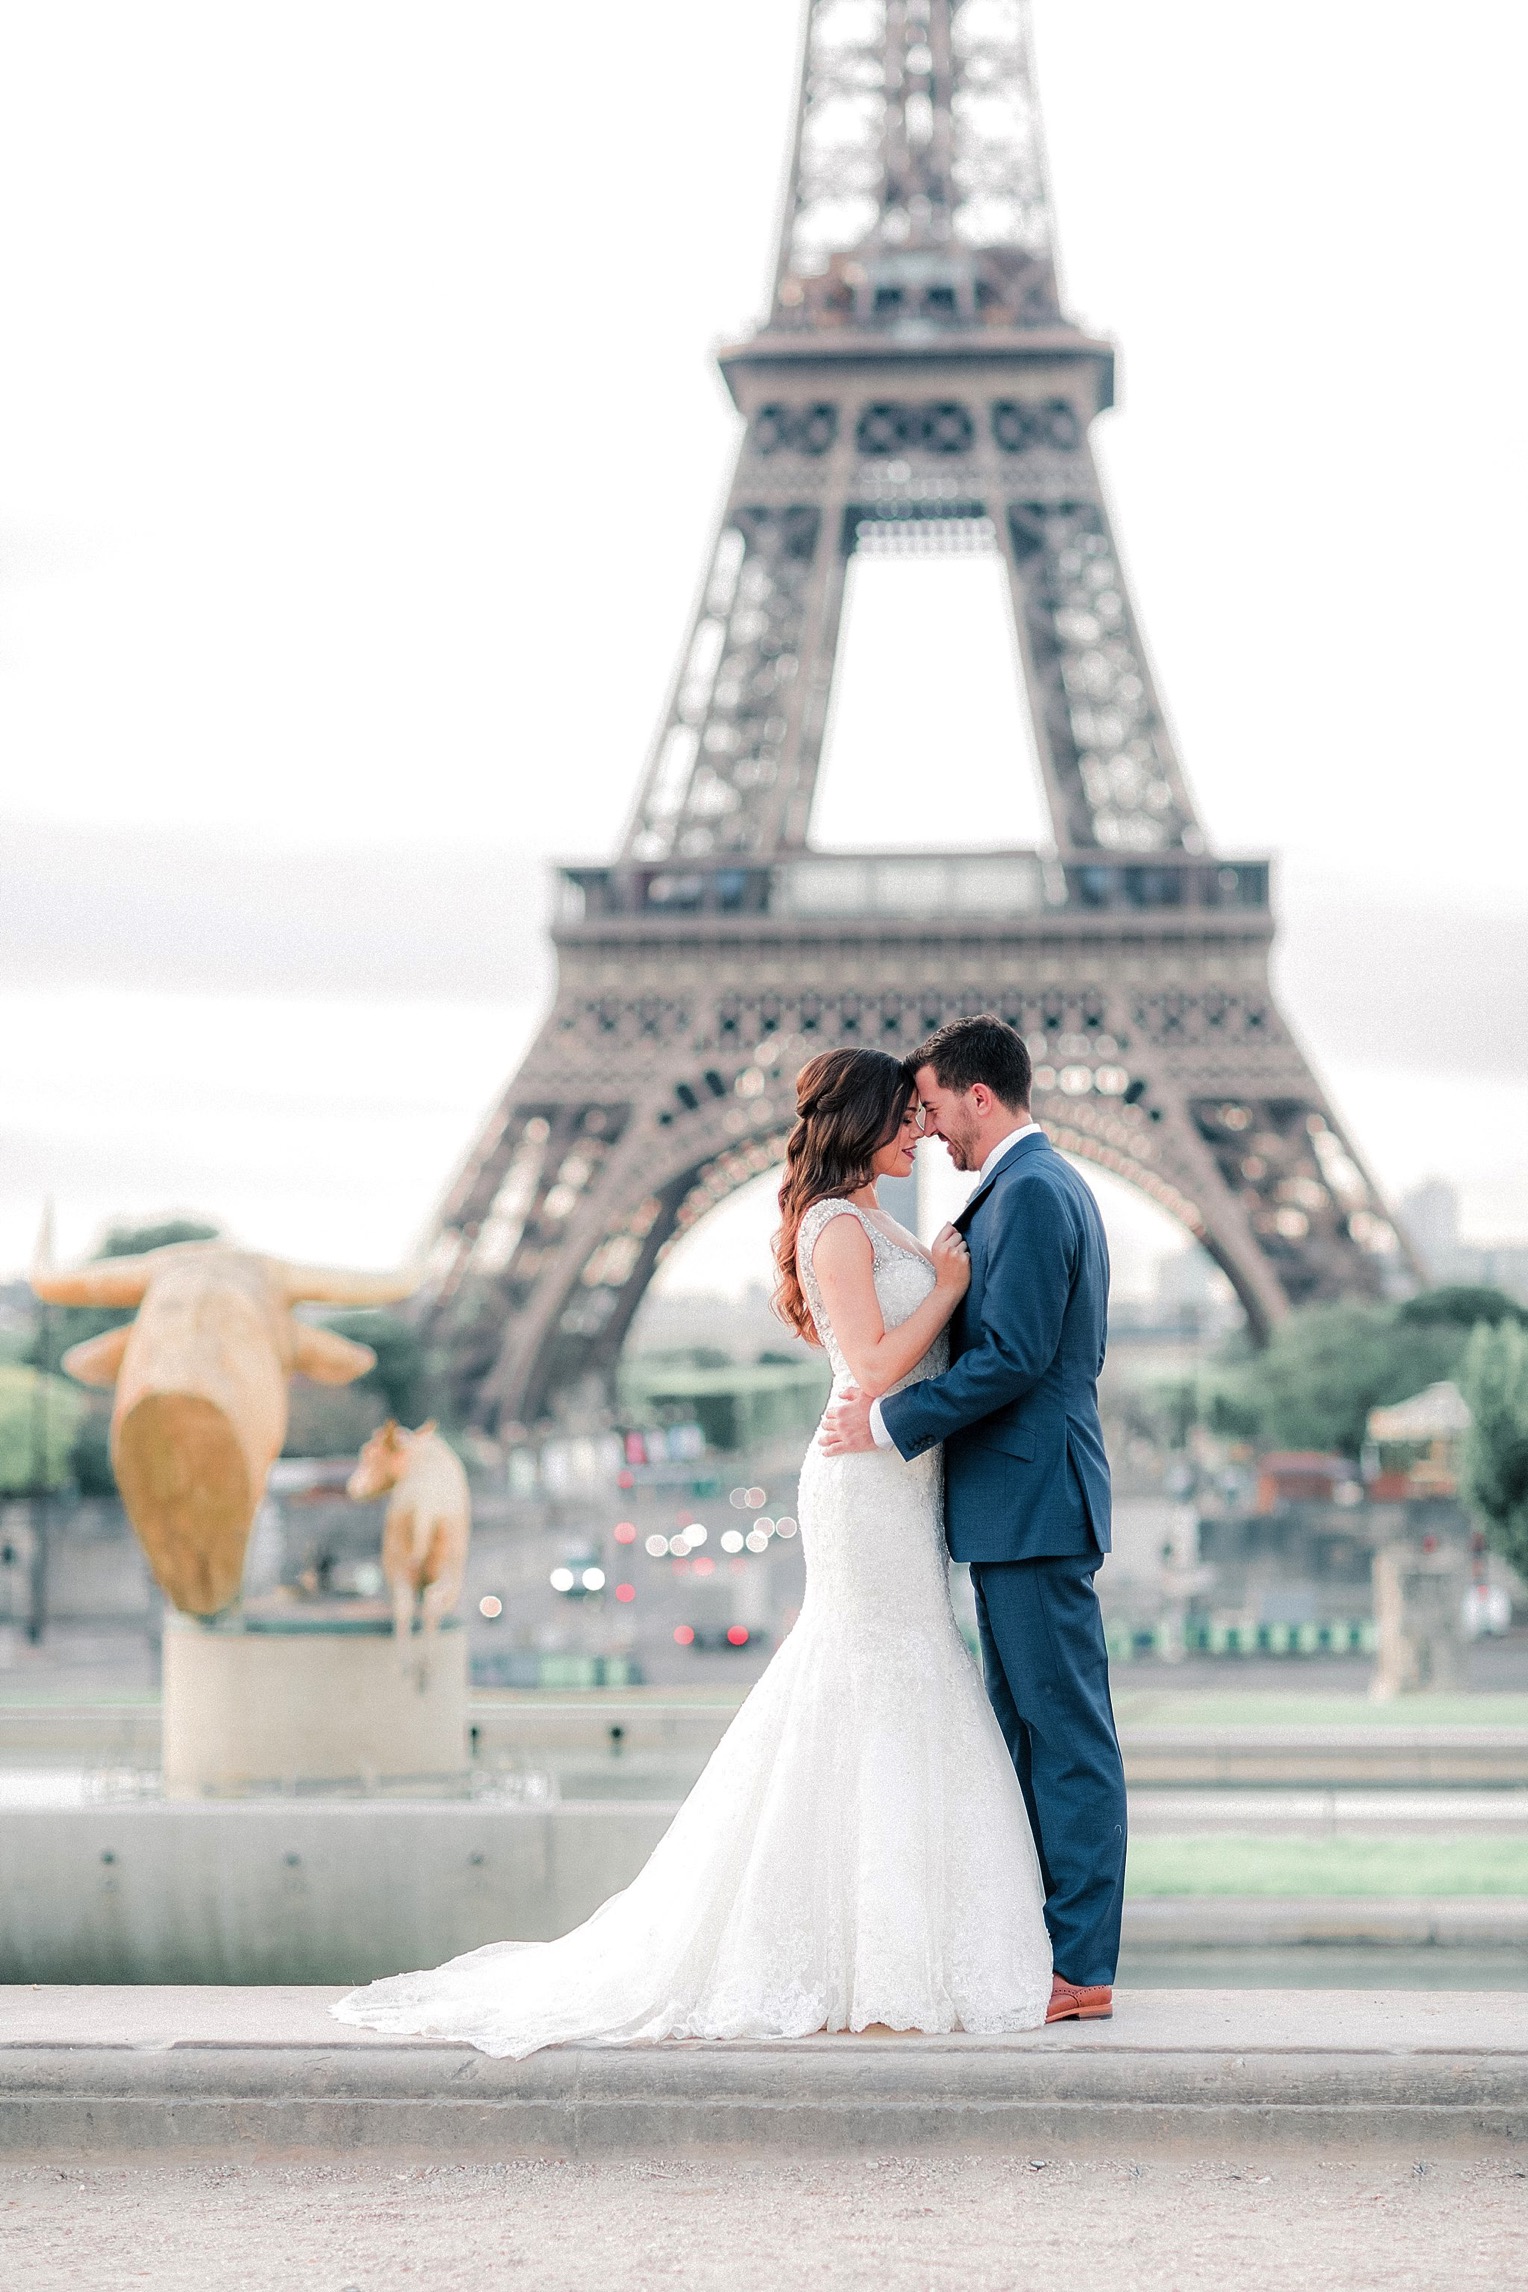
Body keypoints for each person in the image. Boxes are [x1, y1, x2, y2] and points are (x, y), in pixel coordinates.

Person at [332, 1044, 1052, 2058]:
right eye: (901, 1115)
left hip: (902, 1480)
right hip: (865, 1479)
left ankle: (889, 1954)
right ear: (857, 1121)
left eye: (923, 1114)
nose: (918, 1130)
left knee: (899, 1680)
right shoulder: (838, 1225)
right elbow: (882, 1364)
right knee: (874, 1680)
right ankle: (869, 1956)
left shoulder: (877, 1217)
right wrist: (941, 1286)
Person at [820, 1015, 1127, 2022]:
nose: (930, 1128)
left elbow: (1016, 1357)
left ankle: (1078, 1969)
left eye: (935, 1106)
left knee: (1062, 1739)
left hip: (1032, 1506)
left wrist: (888, 1420)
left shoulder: (1032, 1193)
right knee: (1030, 1737)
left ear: (977, 1095)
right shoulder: (1026, 1189)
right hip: (1021, 1505)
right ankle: (1043, 1949)